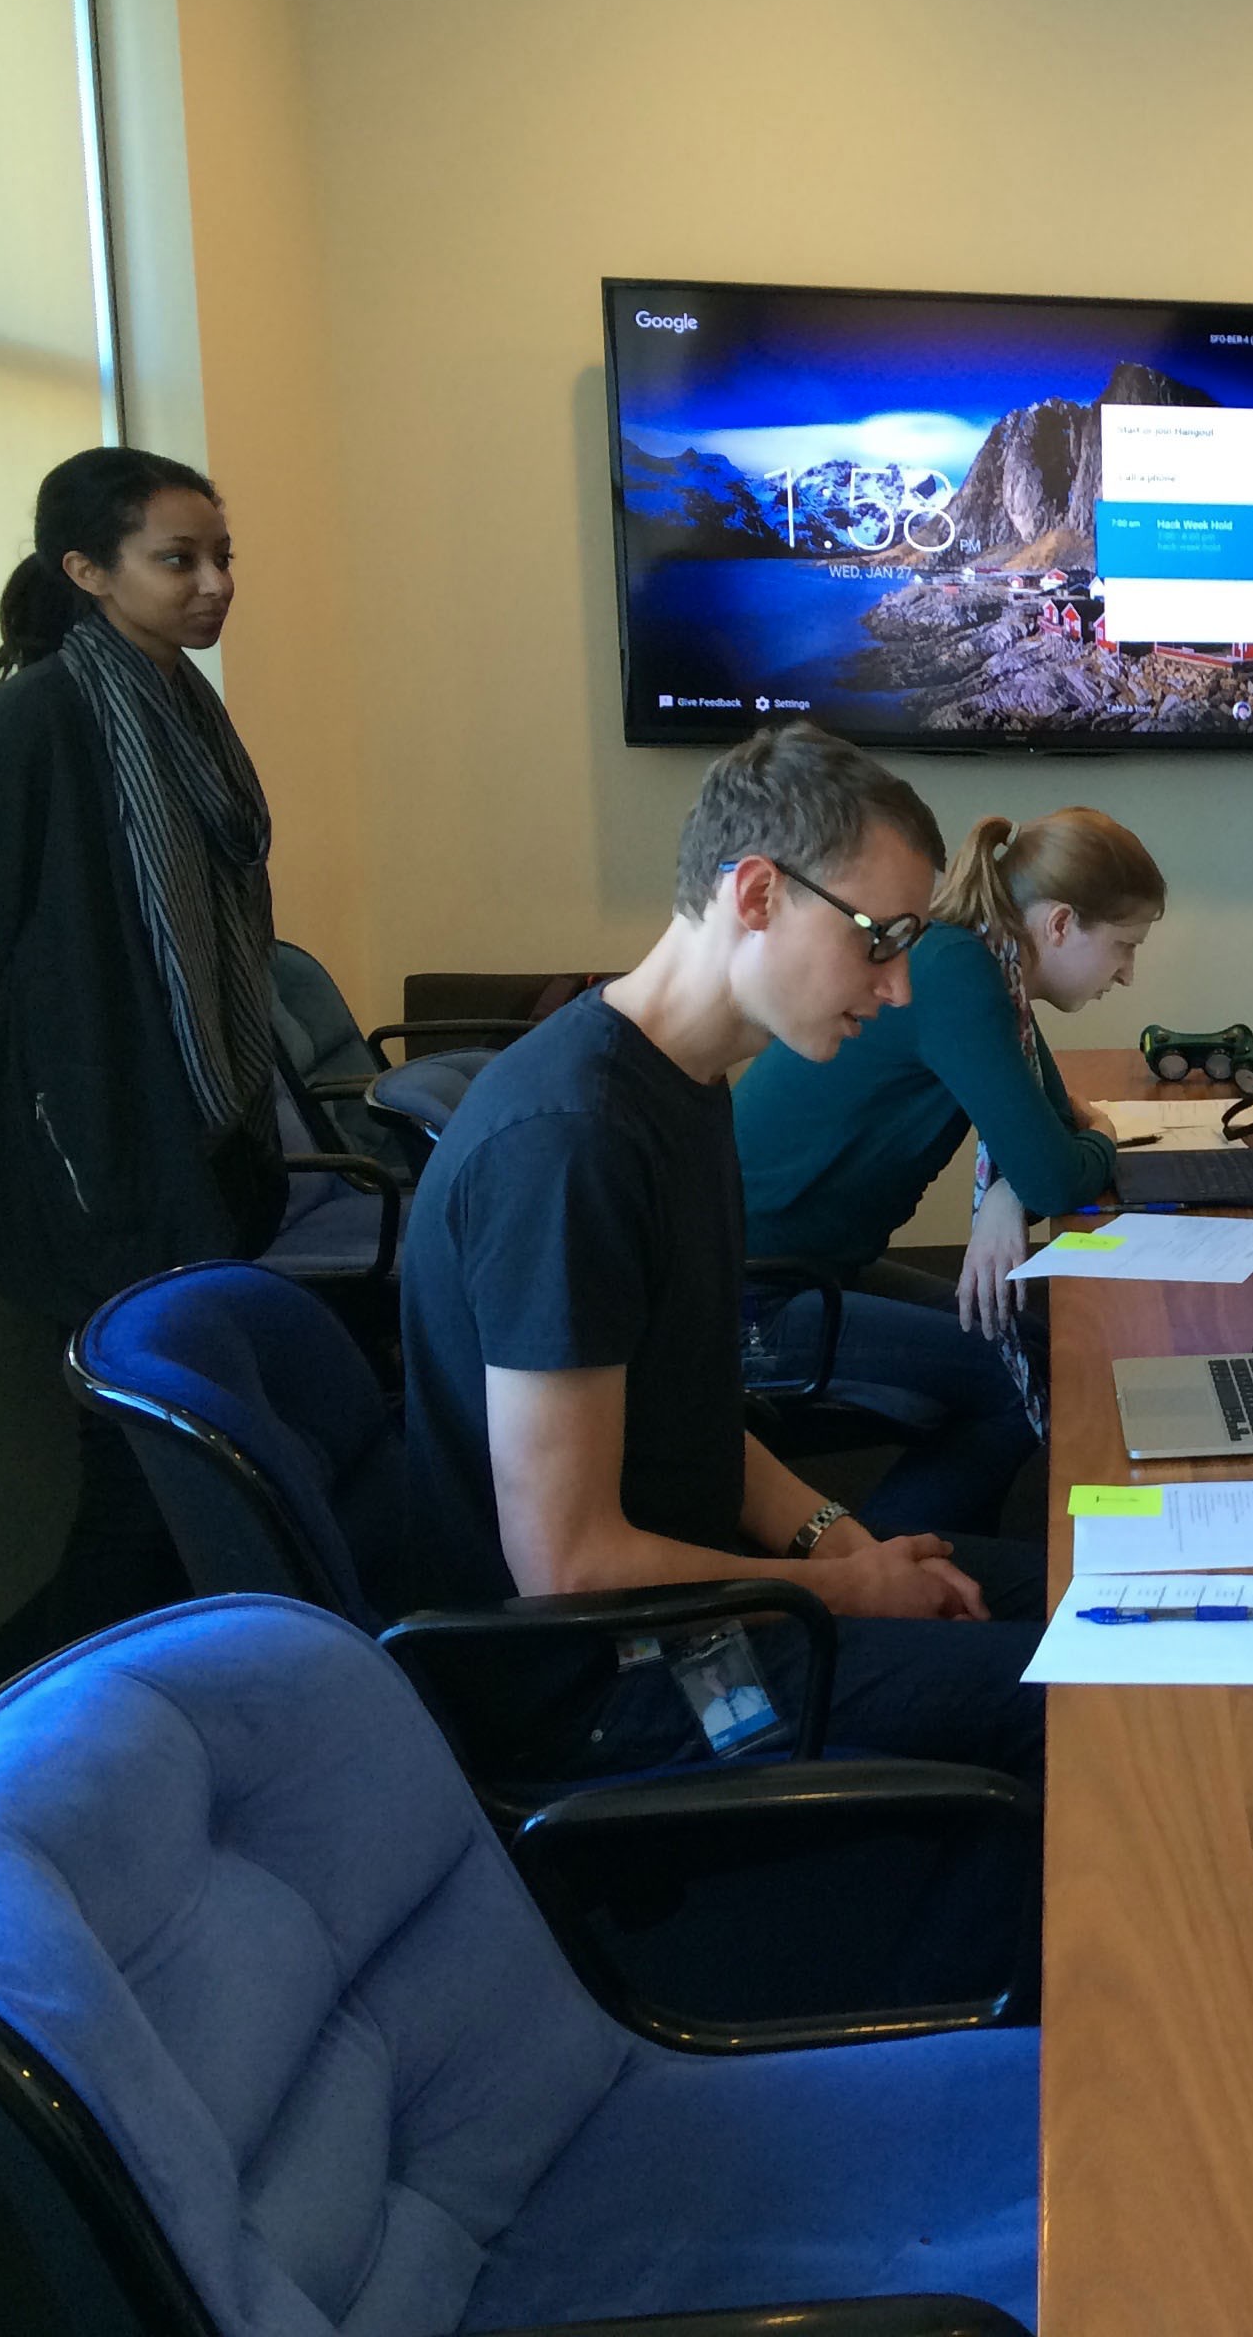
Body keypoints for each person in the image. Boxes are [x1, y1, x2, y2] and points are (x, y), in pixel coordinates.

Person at [396, 722, 1043, 1783]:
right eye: (880, 940)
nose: (898, 989)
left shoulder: (679, 1084)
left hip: (704, 1600)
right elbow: (565, 1568)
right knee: (1085, 1702)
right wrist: (842, 1591)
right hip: (604, 1680)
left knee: (1099, 1611)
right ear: (755, 896)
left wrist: (843, 1543)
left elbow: (688, 1415)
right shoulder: (571, 1145)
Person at [0, 446, 285, 1648]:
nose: (213, 584)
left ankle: (170, 1688)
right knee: (139, 1458)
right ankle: (52, 1722)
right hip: (95, 1140)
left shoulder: (182, 702)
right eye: (178, 560)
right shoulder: (38, 717)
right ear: (87, 570)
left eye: (221, 557)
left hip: (199, 1119)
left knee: (174, 1449)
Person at [732, 806, 1164, 1516]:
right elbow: (1062, 1164)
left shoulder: (981, 964)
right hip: (749, 1297)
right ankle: (886, 1581)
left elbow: (1050, 1128)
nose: (1127, 975)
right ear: (1059, 924)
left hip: (803, 1266)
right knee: (1017, 1375)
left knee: (1032, 1335)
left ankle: (947, 1556)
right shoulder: (961, 973)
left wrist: (1005, 1195)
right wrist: (1100, 1144)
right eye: (1123, 945)